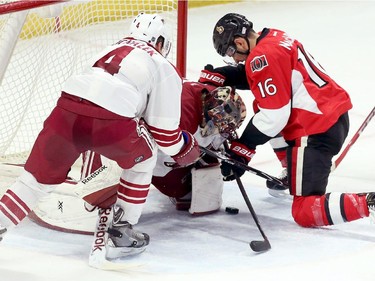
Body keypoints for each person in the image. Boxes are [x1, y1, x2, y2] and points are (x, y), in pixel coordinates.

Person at [0, 12, 201, 261]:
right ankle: (121, 233)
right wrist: (187, 148)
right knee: (145, 157)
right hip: (111, 124)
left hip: (65, 112)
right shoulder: (162, 65)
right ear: (160, 42)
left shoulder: (109, 48)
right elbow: (164, 134)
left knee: (32, 181)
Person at [211, 12, 375, 227]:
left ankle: (370, 203)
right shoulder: (273, 37)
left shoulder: (261, 58)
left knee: (305, 211)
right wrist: (225, 75)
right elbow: (266, 75)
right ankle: (293, 169)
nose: (235, 59)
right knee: (261, 103)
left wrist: (243, 149)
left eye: (231, 53)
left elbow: (274, 115)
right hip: (331, 115)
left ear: (240, 42)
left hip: (316, 129)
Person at [199, 63, 289, 196]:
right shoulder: (263, 58)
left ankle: (303, 166)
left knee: (271, 110)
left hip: (316, 121)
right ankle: (294, 166)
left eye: (231, 50)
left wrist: (243, 150)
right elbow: (251, 73)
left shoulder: (268, 58)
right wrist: (221, 75)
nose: (234, 58)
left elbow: (271, 118)